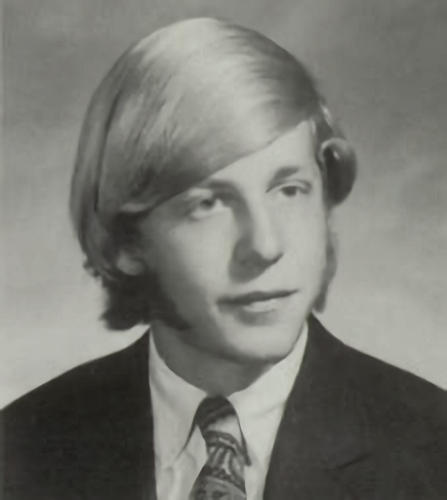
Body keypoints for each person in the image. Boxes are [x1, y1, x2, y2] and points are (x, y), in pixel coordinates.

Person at [2, 17, 446, 500]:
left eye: (289, 189)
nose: (265, 246)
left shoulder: (432, 452)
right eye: (209, 203)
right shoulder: (20, 451)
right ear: (127, 242)